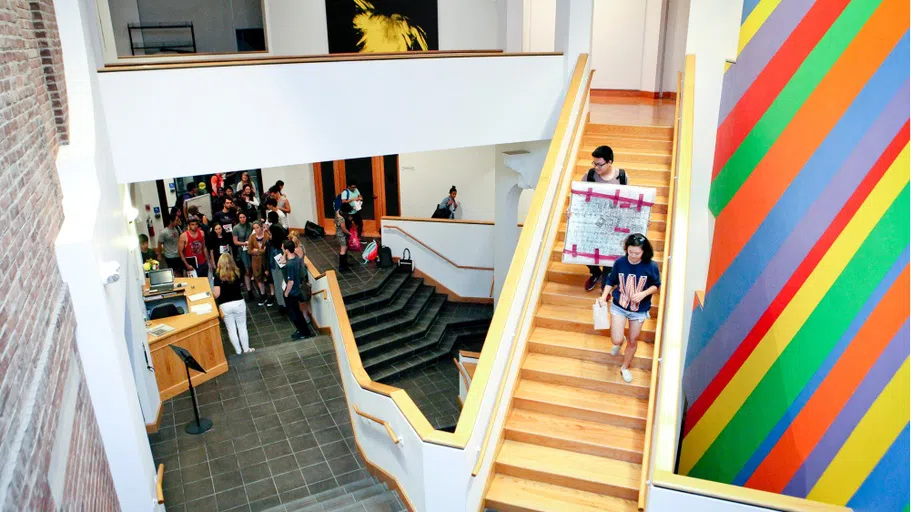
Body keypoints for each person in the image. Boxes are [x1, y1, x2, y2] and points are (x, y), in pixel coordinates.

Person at [597, 233, 660, 383]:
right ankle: (619, 342)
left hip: (639, 310)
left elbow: (656, 285)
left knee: (633, 340)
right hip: (620, 305)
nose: (633, 256)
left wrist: (643, 293)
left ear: (644, 252)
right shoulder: (620, 262)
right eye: (630, 252)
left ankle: (625, 367)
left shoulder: (651, 266)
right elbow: (611, 280)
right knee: (617, 340)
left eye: (637, 253)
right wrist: (604, 296)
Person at [568, 145, 630, 291]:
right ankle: (596, 272)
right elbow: (578, 196)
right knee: (585, 247)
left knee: (609, 253)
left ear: (610, 162)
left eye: (600, 164)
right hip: (592, 222)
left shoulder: (621, 176)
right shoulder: (589, 175)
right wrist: (570, 209)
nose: (596, 167)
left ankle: (606, 285)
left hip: (613, 223)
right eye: (594, 163)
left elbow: (629, 200)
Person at [214, 253, 253, 355]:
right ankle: (246, 349)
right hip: (238, 303)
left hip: (225, 305)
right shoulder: (237, 272)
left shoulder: (218, 275)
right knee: (242, 327)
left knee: (231, 329)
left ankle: (238, 351)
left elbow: (217, 294)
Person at [282, 240, 310, 340]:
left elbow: (291, 282)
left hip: (292, 292)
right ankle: (302, 330)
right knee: (297, 312)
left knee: (295, 314)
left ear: (286, 250)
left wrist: (286, 293)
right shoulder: (296, 258)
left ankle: (303, 332)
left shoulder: (290, 265)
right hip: (297, 290)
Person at [248, 221, 274, 306]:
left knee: (270, 279)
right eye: (254, 228)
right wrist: (261, 250)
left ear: (261, 227)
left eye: (257, 227)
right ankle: (263, 295)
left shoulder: (266, 236)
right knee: (259, 279)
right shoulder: (252, 237)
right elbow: (249, 250)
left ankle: (272, 295)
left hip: (266, 261)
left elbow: (268, 250)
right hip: (256, 262)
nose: (256, 230)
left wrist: (258, 250)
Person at [268, 211, 289, 312]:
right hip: (280, 253)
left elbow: (273, 241)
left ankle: (282, 303)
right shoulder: (280, 226)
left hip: (276, 254)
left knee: (278, 278)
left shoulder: (273, 227)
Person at [233, 212, 254, 299]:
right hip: (243, 250)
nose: (242, 219)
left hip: (251, 249)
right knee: (246, 270)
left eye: (244, 217)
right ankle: (249, 290)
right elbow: (235, 241)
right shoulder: (236, 228)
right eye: (240, 217)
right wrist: (245, 243)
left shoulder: (250, 225)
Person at [334, 204, 355, 270]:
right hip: (342, 235)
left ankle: (345, 263)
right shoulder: (341, 218)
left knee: (346, 248)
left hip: (339, 233)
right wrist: (351, 234)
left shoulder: (338, 211)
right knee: (343, 249)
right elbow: (344, 229)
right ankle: (342, 266)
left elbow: (334, 222)